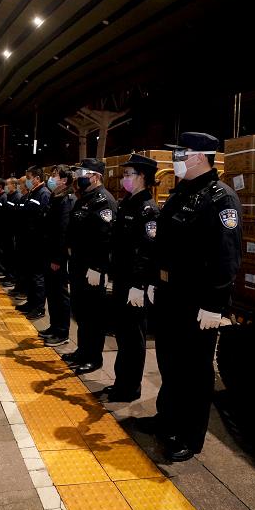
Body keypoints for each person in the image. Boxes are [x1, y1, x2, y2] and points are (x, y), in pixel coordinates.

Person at [150, 132, 242, 462]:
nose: (175, 159)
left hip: (197, 302)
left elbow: (227, 256)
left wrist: (215, 305)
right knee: (171, 364)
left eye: (180, 154)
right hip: (170, 295)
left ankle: (189, 435)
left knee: (195, 371)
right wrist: (153, 280)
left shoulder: (221, 199)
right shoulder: (181, 194)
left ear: (199, 157)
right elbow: (164, 244)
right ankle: (167, 420)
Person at [103, 153, 159, 402]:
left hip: (135, 284)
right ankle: (120, 382)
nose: (124, 178)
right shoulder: (127, 203)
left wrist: (139, 285)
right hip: (122, 279)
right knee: (123, 335)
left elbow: (147, 251)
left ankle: (130, 388)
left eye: (129, 174)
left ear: (142, 177)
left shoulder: (148, 209)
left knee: (134, 337)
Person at [62, 158, 117, 373]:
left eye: (83, 173)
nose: (78, 178)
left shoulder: (104, 201)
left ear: (95, 176)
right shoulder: (84, 198)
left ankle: (94, 357)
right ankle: (82, 350)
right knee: (81, 312)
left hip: (92, 269)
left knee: (93, 315)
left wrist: (98, 268)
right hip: (78, 265)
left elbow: (106, 239)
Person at [39, 165, 76, 346]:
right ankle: (54, 326)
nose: (51, 179)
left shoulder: (66, 200)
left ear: (64, 180)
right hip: (49, 252)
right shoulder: (56, 197)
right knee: (51, 292)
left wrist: (57, 258)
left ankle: (62, 332)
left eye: (55, 175)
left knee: (60, 294)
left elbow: (63, 232)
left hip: (57, 256)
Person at [15, 166, 51, 319]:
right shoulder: (33, 193)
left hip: (37, 242)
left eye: (29, 178)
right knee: (30, 273)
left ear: (37, 178)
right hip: (29, 240)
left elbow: (42, 220)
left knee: (37, 276)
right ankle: (30, 302)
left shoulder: (43, 194)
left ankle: (38, 307)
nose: (27, 181)